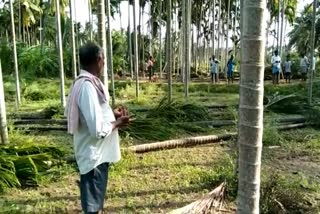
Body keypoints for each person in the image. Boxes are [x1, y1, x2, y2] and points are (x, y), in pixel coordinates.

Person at [64, 42, 130, 214]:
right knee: (93, 207)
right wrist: (117, 124)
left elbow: (91, 117)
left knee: (95, 203)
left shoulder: (85, 83)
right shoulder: (87, 87)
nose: (104, 63)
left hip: (96, 156)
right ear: (99, 59)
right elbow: (97, 130)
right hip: (94, 157)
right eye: (104, 59)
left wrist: (112, 115)